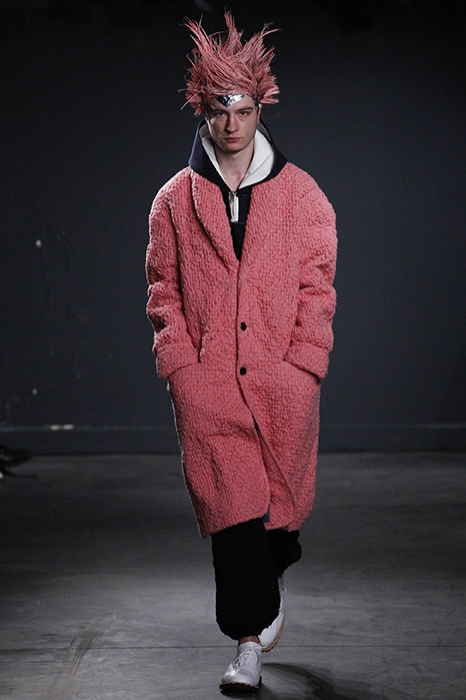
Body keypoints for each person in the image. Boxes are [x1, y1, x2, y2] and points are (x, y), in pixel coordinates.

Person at [145, 11, 337, 693]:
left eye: (244, 109)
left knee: (277, 524)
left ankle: (272, 573)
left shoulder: (303, 195)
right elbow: (163, 289)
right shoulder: (174, 201)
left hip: (283, 382)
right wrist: (180, 365)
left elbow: (318, 285)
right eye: (220, 110)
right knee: (232, 517)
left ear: (261, 107)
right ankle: (246, 647)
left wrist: (305, 363)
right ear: (202, 108)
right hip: (208, 385)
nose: (232, 124)